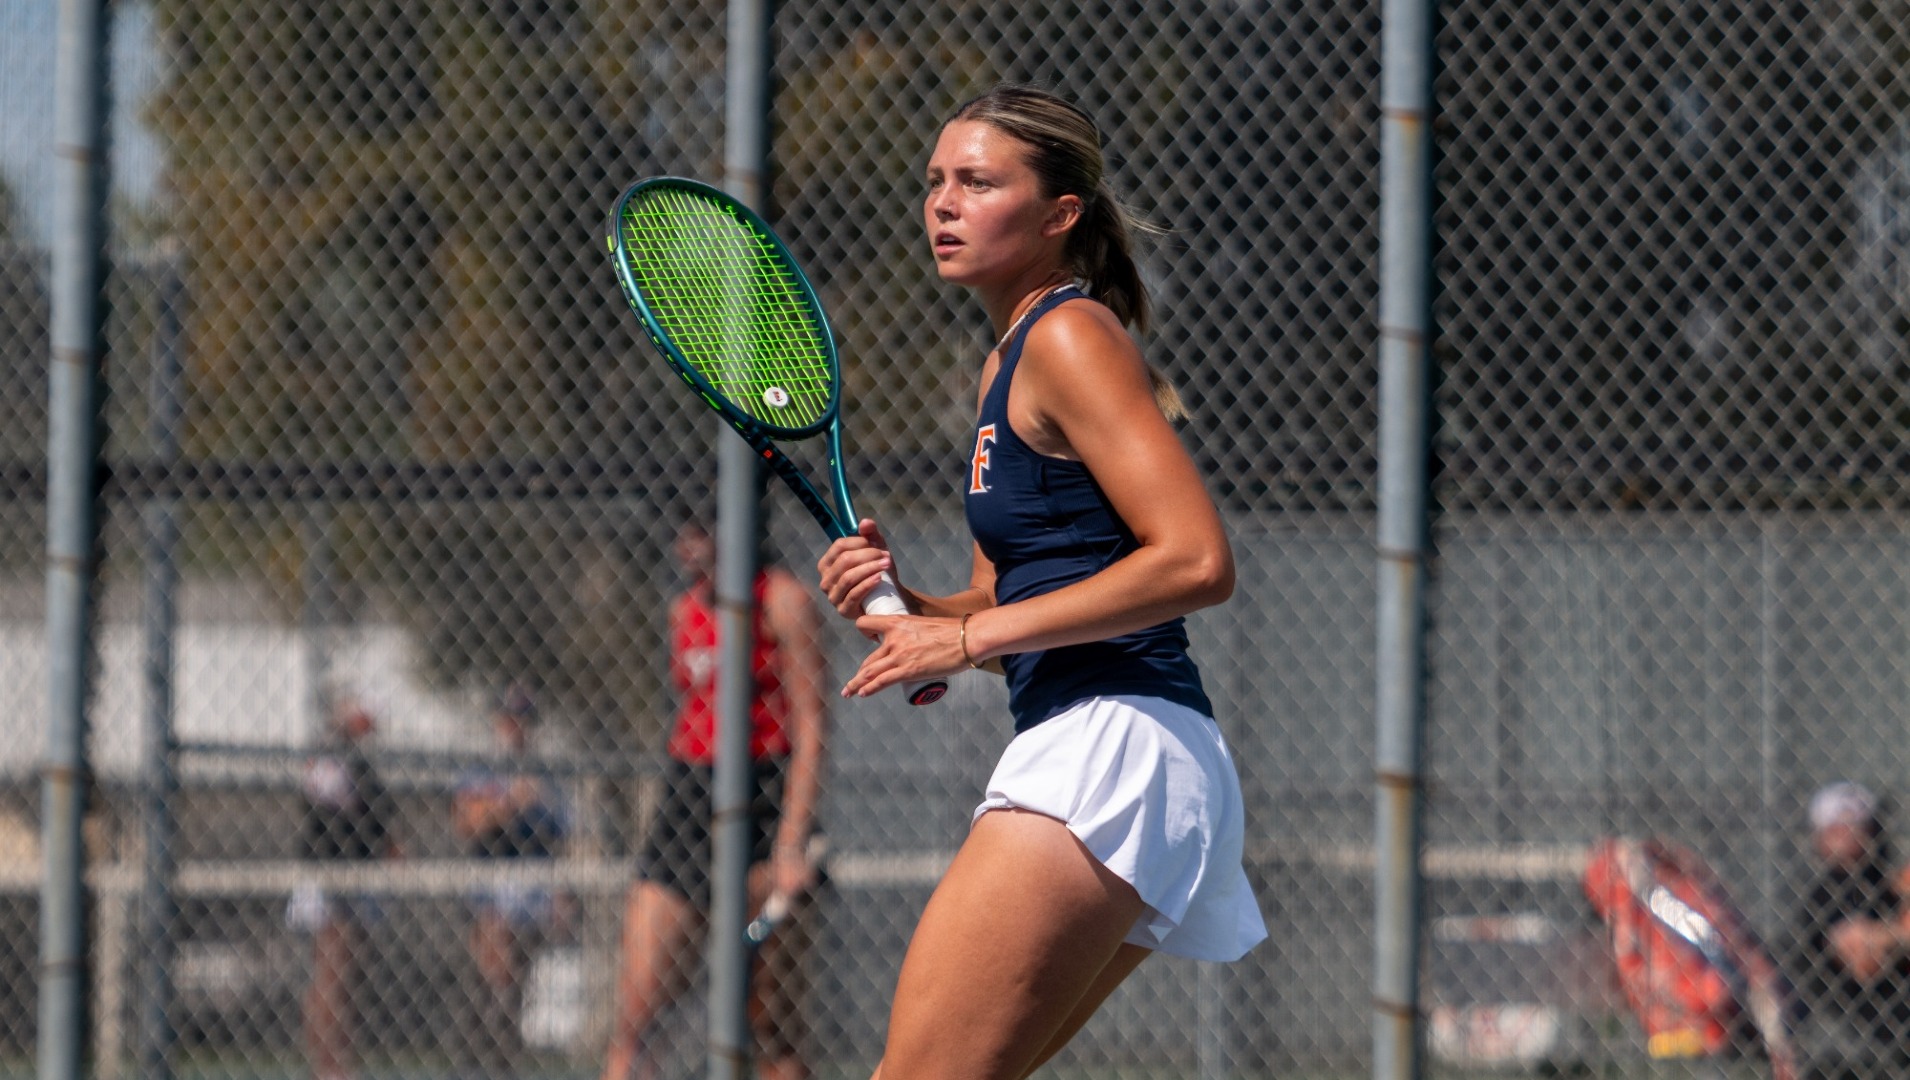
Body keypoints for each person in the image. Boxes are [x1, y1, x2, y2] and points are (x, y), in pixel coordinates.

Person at [813, 83, 1266, 1079]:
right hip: (1122, 742)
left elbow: (1195, 561)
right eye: (934, 181)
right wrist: (910, 606)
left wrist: (967, 640)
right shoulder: (1001, 366)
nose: (942, 202)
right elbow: (1001, 603)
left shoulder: (1069, 337)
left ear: (1060, 214)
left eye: (977, 182)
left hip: (1111, 743)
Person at [600, 519, 829, 1080]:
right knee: (634, 1023)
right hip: (690, 795)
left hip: (764, 797)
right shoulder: (684, 609)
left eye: (699, 526)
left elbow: (812, 726)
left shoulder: (781, 599)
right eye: (677, 528)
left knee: (771, 1026)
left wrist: (792, 842)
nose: (685, 542)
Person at [452, 684, 569, 1078]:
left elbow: (564, 835)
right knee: (493, 975)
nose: (517, 728)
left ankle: (502, 1065)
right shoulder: (483, 770)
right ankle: (477, 1061)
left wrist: (560, 894)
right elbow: (467, 821)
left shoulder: (544, 776)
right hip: (492, 883)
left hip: (531, 888)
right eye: (510, 719)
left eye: (524, 721)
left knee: (515, 984)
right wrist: (508, 803)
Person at [289, 696, 400, 1080]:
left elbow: (376, 819)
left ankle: (338, 1061)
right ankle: (328, 1066)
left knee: (347, 975)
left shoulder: (361, 766)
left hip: (357, 874)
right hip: (330, 876)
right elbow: (336, 814)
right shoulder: (328, 761)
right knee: (331, 972)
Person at [1784, 781, 1910, 1080]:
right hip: (1859, 1017)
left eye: (1856, 825)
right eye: (1837, 827)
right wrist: (1896, 935)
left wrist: (1885, 936)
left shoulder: (1886, 884)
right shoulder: (1826, 896)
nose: (1847, 835)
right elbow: (1861, 957)